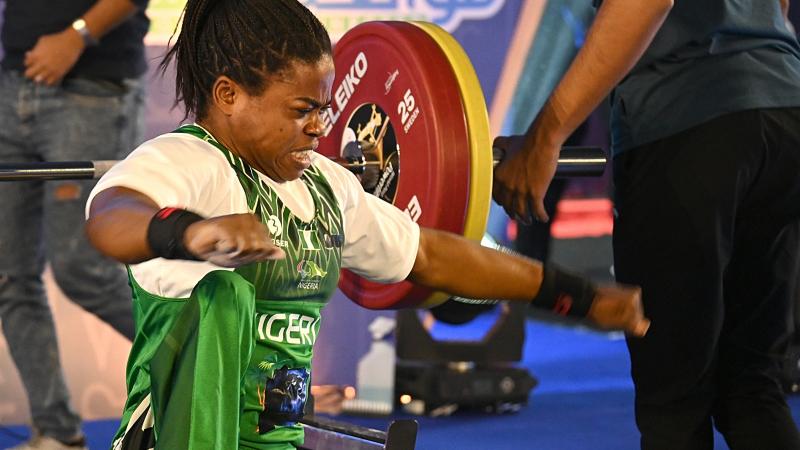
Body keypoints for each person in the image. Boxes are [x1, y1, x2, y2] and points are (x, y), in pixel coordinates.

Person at [83, 0, 650, 448]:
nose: (317, 127)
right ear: (229, 95)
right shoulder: (190, 162)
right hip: (176, 438)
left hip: (278, 439)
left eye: (324, 109)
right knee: (223, 292)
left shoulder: (327, 186)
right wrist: (185, 233)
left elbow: (433, 256)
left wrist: (574, 296)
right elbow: (110, 215)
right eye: (300, 110)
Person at [493, 0, 800, 449]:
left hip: (688, 123)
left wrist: (546, 138)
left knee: (674, 405)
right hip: (784, 110)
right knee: (753, 388)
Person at [0, 0, 149, 448]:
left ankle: (214, 363)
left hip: (92, 88)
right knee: (10, 276)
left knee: (85, 272)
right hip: (13, 81)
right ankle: (58, 434)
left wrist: (77, 34)